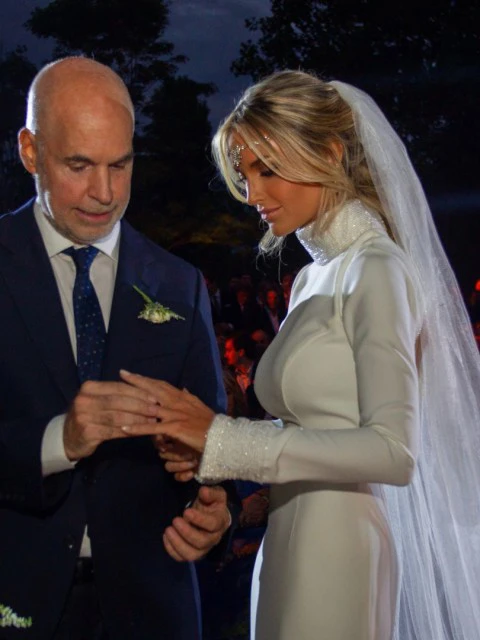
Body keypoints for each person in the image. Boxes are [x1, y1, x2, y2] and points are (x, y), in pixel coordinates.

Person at [121, 70, 480, 639]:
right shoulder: (314, 278)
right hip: (287, 537)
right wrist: (209, 450)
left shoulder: (376, 269)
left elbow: (393, 452)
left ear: (329, 153)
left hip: (338, 549)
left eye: (267, 169)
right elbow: (306, 430)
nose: (252, 194)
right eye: (244, 174)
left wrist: (224, 439)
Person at [0, 57, 232, 640]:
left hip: (153, 607)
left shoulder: (179, 283)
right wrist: (59, 440)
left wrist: (215, 507)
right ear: (30, 151)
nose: (103, 193)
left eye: (120, 165)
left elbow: (212, 435)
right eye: (78, 165)